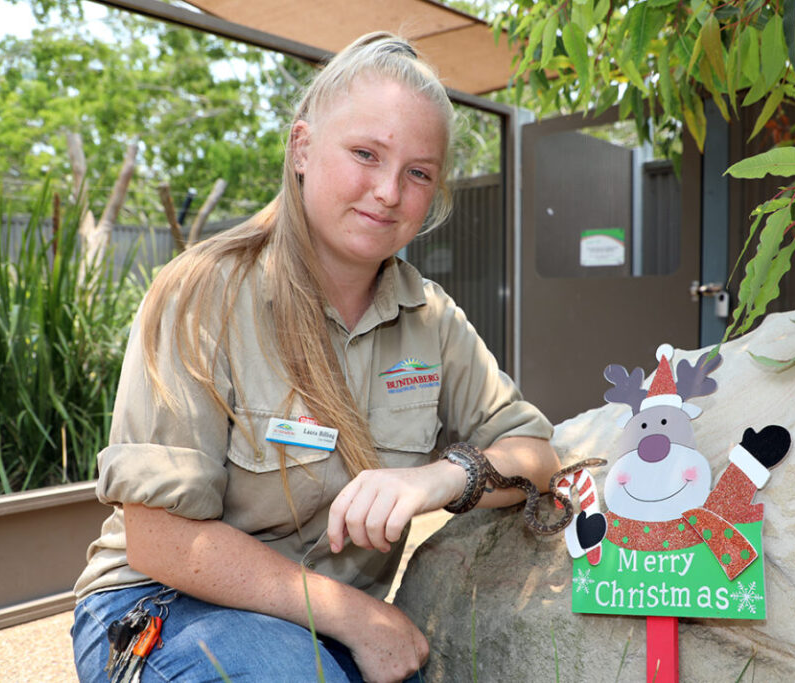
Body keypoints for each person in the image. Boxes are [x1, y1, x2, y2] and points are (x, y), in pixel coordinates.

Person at [71, 32, 561, 683]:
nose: (388, 191)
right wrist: (358, 616)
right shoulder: (200, 294)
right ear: (302, 148)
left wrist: (444, 477)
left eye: (418, 173)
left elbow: (535, 452)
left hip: (315, 628)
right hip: (160, 605)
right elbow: (159, 539)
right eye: (365, 153)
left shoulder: (432, 319)